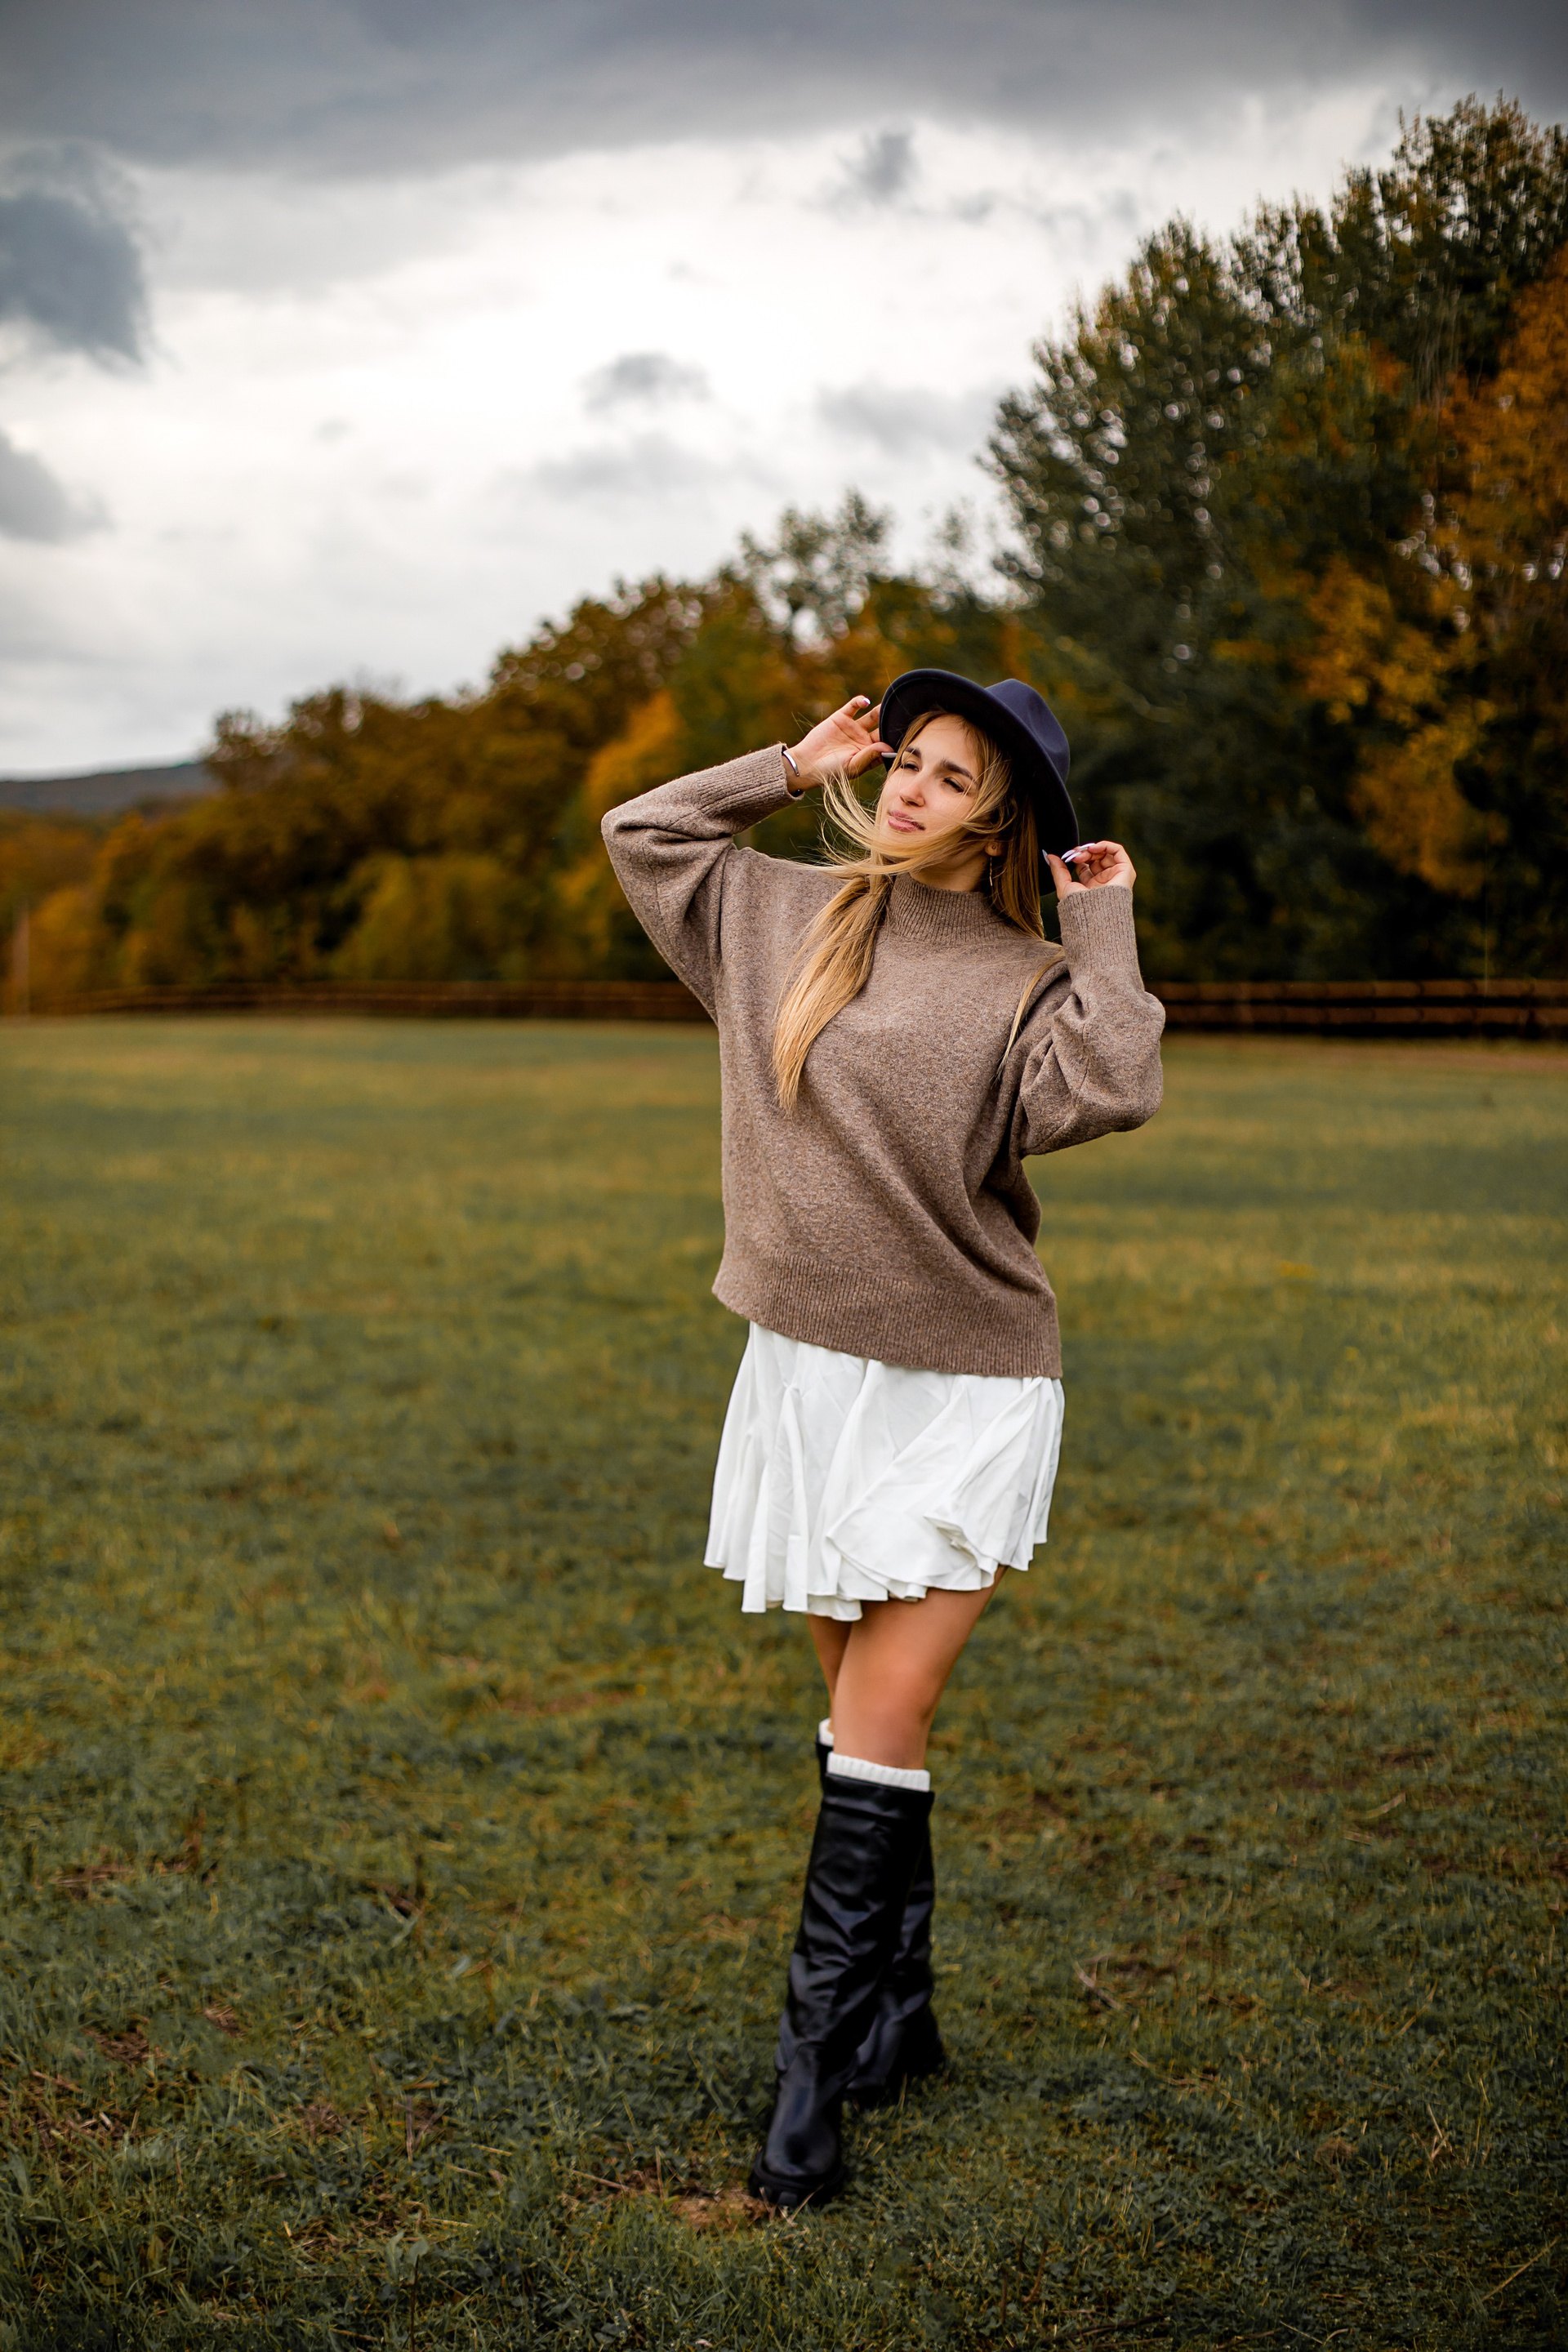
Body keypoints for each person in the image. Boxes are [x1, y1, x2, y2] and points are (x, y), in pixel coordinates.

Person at [603, 671, 1164, 2212]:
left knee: (883, 1717)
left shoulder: (1027, 985)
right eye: (908, 759)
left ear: (999, 820)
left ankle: (807, 2098)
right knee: (862, 1720)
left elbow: (1118, 1083)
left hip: (965, 1385)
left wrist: (1100, 922)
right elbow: (644, 833)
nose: (911, 788)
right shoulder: (782, 914)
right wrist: (790, 768)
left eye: (952, 777)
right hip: (809, 1377)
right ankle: (897, 2016)